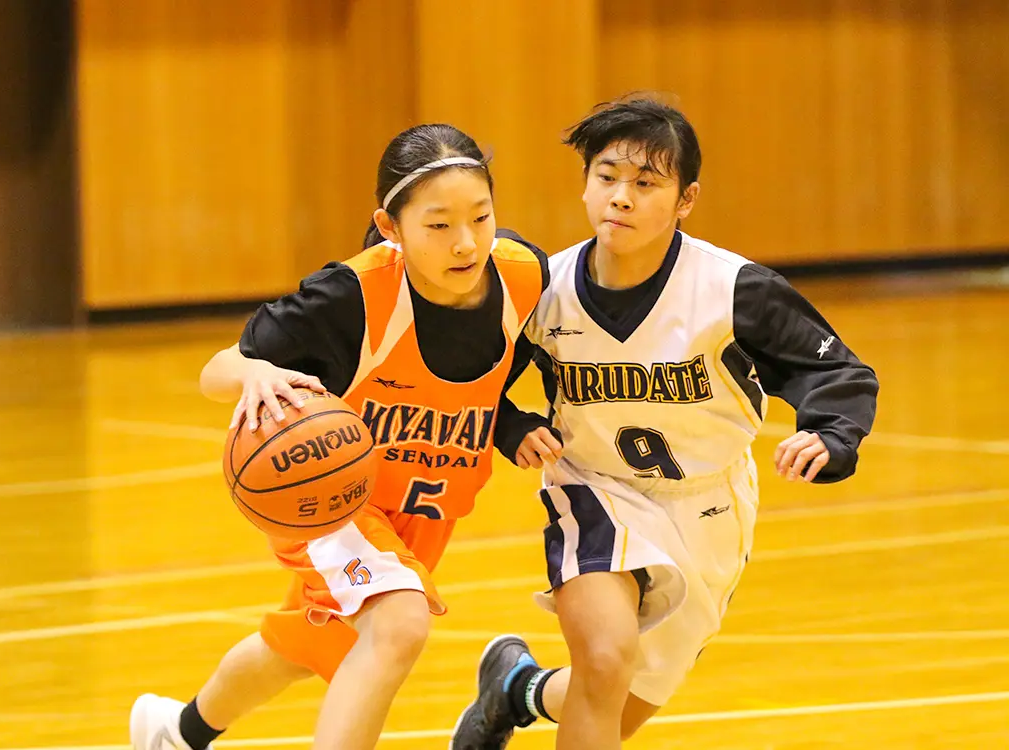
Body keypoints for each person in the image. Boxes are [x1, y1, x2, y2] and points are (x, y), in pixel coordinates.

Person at [450, 95, 879, 749]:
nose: (620, 197)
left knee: (618, 700)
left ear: (686, 199)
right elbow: (473, 382)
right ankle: (532, 687)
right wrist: (510, 425)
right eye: (607, 177)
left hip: (709, 506)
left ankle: (519, 689)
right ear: (587, 184)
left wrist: (832, 435)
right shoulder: (542, 288)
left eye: (645, 183)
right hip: (593, 487)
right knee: (604, 659)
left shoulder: (734, 289)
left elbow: (836, 372)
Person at [129, 122, 563, 750]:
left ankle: (174, 732)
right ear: (391, 228)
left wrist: (512, 425)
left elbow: (486, 383)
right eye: (439, 225)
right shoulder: (352, 296)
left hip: (422, 506)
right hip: (330, 495)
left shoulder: (523, 278)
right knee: (399, 624)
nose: (466, 242)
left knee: (302, 647)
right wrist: (252, 371)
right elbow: (215, 370)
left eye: (481, 216)